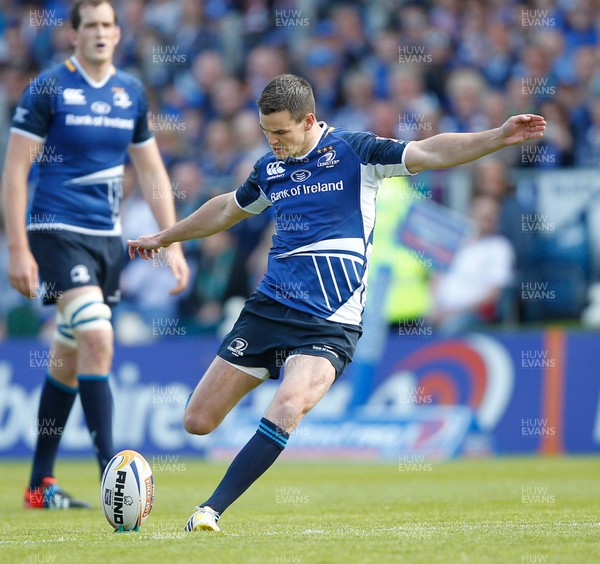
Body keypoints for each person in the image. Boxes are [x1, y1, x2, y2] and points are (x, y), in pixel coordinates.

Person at [128, 74, 545, 532]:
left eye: (282, 132)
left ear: (309, 120)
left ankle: (209, 510)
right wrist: (167, 237)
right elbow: (227, 209)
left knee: (288, 404)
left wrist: (499, 135)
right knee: (197, 421)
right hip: (268, 310)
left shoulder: (356, 152)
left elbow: (429, 151)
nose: (274, 142)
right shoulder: (270, 170)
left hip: (330, 322)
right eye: (267, 133)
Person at [1, 0, 189, 509]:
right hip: (56, 232)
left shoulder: (130, 91)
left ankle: (40, 485)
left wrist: (171, 240)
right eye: (93, 25)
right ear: (74, 34)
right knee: (97, 333)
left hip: (107, 239)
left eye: (110, 24)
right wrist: (18, 248)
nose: (102, 32)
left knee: (68, 354)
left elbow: (151, 172)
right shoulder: (48, 88)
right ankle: (114, 474)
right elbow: (16, 170)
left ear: (118, 33)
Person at [428, 192, 516, 335]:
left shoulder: (499, 247)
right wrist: (436, 309)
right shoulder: (451, 241)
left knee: (449, 328)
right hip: (439, 311)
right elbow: (436, 278)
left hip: (472, 315)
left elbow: (493, 295)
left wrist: (451, 312)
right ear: (471, 211)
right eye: (483, 214)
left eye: (491, 215)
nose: (487, 218)